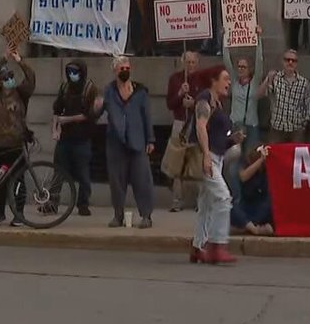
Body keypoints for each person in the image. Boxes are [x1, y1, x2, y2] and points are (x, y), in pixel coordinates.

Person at [100, 56, 156, 228]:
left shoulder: (140, 92)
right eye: (121, 68)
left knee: (142, 180)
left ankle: (146, 215)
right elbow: (98, 110)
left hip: (138, 141)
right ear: (115, 70)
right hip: (116, 142)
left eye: (127, 68)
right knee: (117, 181)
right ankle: (118, 215)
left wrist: (150, 139)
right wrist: (94, 106)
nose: (125, 71)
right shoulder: (109, 91)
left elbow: (147, 116)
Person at [0, 48, 35, 227]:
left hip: (16, 144)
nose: (9, 81)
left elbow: (31, 79)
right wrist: (3, 58)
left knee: (19, 180)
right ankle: (0, 214)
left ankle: (18, 214)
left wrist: (19, 60)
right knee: (0, 182)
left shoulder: (21, 94)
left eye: (10, 77)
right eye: (5, 78)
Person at [191, 67, 237, 264]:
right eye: (225, 79)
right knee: (223, 198)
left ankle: (198, 247)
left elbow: (217, 136)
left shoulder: (219, 102)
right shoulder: (205, 99)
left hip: (216, 156)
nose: (229, 83)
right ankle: (217, 245)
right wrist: (206, 156)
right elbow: (200, 126)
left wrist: (232, 140)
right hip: (207, 158)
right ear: (213, 80)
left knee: (207, 205)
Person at [165, 51, 219, 212]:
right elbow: (170, 103)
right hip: (180, 123)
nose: (191, 65)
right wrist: (180, 94)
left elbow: (210, 103)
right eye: (188, 62)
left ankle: (200, 202)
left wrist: (194, 103)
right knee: (176, 162)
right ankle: (176, 201)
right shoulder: (175, 79)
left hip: (197, 124)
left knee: (198, 162)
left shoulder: (204, 80)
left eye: (193, 62)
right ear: (183, 62)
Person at [52, 59, 99, 217]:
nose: (72, 76)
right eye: (70, 72)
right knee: (58, 171)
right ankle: (52, 203)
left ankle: (83, 204)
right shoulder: (65, 87)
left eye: (75, 72)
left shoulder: (89, 89)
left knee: (83, 175)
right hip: (65, 137)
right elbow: (57, 110)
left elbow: (89, 115)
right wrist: (55, 129)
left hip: (82, 138)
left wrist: (67, 120)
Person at [223, 27, 265, 157]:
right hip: (235, 123)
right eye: (239, 66)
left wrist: (258, 38)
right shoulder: (234, 81)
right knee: (234, 156)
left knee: (251, 155)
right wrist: (225, 37)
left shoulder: (254, 81)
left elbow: (260, 61)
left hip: (251, 125)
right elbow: (226, 61)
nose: (240, 69)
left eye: (244, 67)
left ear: (249, 69)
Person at [260, 49, 310, 144]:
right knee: (276, 156)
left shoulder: (304, 82)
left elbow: (306, 105)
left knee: (295, 157)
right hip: (277, 128)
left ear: (297, 63)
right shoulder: (275, 78)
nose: (290, 62)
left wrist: (304, 124)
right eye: (287, 60)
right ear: (282, 62)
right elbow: (259, 95)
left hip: (296, 129)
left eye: (293, 60)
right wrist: (268, 79)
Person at [232, 146, 274, 236]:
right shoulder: (244, 164)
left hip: (261, 208)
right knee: (230, 206)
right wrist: (260, 160)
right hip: (246, 206)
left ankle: (249, 227)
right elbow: (243, 177)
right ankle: (253, 229)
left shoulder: (266, 171)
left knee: (271, 202)